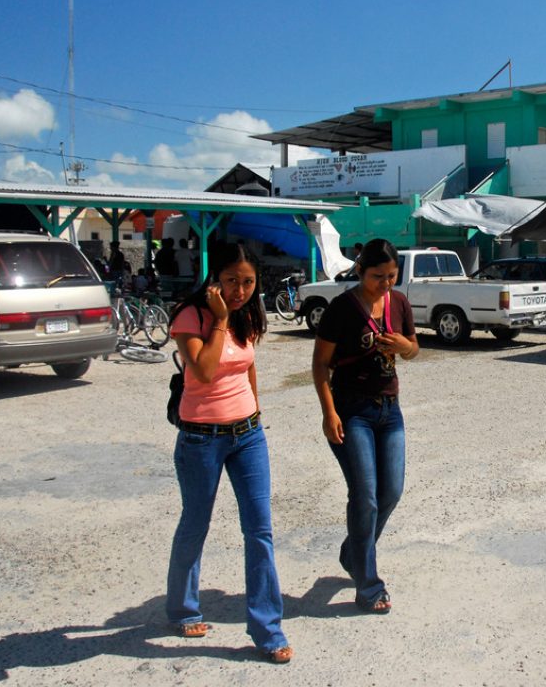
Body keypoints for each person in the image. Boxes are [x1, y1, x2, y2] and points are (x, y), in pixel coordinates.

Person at [165, 242, 292, 664]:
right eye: (232, 281)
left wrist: (254, 410)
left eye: (249, 282)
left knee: (260, 531)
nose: (240, 291)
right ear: (215, 277)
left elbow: (247, 364)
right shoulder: (192, 316)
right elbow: (201, 371)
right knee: (196, 523)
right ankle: (183, 608)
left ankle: (267, 628)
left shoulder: (248, 315)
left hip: (248, 436)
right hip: (201, 438)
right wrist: (220, 319)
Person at [311, 238, 419, 614]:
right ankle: (368, 585)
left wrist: (404, 345)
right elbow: (320, 365)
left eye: (392, 276)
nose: (387, 283)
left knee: (392, 491)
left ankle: (352, 553)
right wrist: (329, 413)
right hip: (351, 411)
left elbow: (414, 349)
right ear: (359, 271)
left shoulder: (400, 303)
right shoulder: (341, 308)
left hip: (390, 410)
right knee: (365, 496)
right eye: (378, 277)